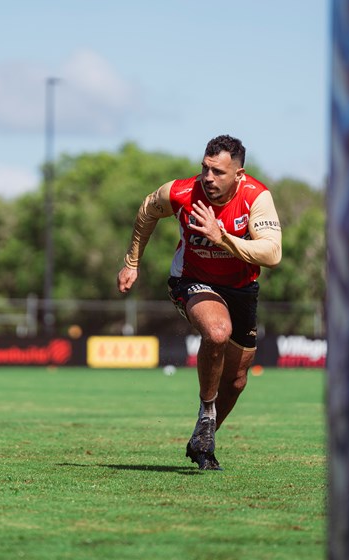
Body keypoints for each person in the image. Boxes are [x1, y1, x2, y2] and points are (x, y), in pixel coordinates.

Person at [117, 135, 282, 470]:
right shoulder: (180, 192)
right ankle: (207, 412)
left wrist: (222, 237)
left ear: (239, 174)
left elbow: (272, 253)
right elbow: (148, 209)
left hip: (241, 288)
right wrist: (132, 261)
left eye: (218, 172)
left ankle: (201, 440)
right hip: (192, 280)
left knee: (236, 381)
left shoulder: (256, 197)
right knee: (217, 331)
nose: (208, 178)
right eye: (205, 169)